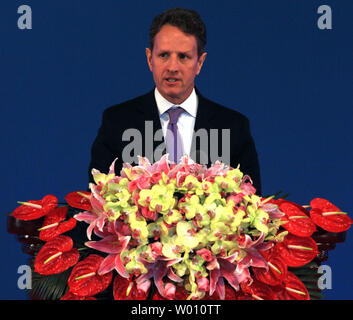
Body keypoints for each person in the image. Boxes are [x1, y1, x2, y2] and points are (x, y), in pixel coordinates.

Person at [88, 7, 262, 194]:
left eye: (183, 57)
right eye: (164, 55)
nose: (172, 67)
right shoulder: (117, 122)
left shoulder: (233, 127)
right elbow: (99, 199)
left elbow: (250, 200)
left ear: (200, 63)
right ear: (149, 59)